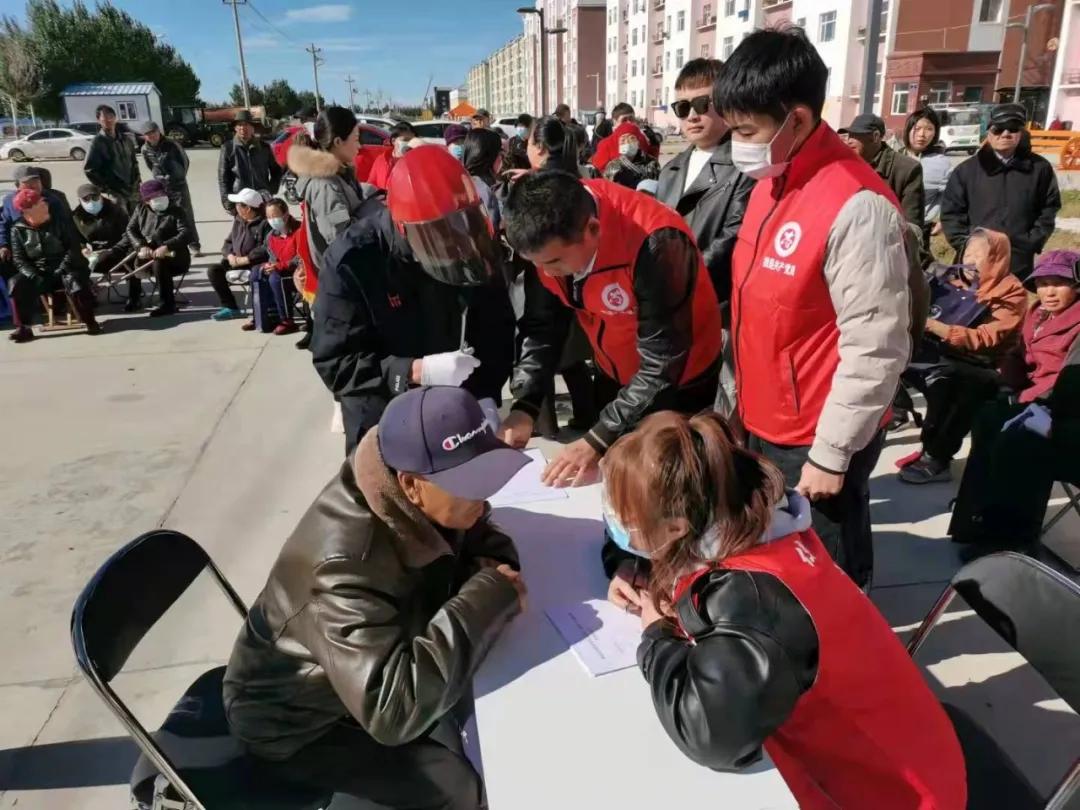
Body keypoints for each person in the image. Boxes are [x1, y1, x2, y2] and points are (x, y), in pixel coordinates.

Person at [601, 410, 966, 810]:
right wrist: (640, 569)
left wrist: (656, 636)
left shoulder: (754, 599)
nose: (617, 526)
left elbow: (712, 736)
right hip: (899, 758)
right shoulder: (757, 526)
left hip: (887, 795)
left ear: (676, 528)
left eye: (625, 520)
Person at [223, 385, 528, 808]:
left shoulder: (421, 492)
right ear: (411, 486)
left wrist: (485, 581)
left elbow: (486, 541)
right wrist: (486, 596)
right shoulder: (340, 567)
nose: (484, 498)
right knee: (458, 785)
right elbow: (393, 710)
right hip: (298, 724)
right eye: (470, 485)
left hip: (362, 668)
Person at [713, 28, 911, 588]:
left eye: (748, 131)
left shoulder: (856, 204)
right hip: (764, 416)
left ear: (797, 120)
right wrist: (736, 401)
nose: (738, 145)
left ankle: (855, 656)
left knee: (830, 564)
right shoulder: (771, 183)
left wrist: (832, 453)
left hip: (818, 429)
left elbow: (877, 346)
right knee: (786, 554)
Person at [500, 170, 723, 486]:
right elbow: (542, 325)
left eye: (553, 263)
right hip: (614, 372)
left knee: (667, 485)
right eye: (535, 263)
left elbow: (663, 363)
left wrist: (598, 437)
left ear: (592, 229)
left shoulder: (657, 242)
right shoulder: (549, 239)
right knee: (611, 481)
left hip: (680, 384)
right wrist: (526, 404)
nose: (544, 273)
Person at [312, 146, 516, 453]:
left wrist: (487, 394)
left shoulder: (469, 244)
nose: (450, 246)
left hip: (454, 411)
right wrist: (413, 371)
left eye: (455, 231)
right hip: (382, 416)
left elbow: (495, 326)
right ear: (404, 228)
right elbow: (336, 364)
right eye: (437, 236)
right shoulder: (352, 262)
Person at [950, 250, 1080, 554]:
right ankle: (974, 520)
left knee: (1018, 439)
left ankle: (1010, 541)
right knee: (987, 416)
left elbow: (1069, 383)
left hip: (1067, 413)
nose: (1048, 291)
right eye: (1043, 283)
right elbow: (1019, 357)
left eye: (1058, 283)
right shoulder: (1037, 315)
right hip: (1040, 402)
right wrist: (1009, 379)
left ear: (1076, 285)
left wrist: (1027, 403)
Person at [899, 229, 1027, 484]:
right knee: (890, 360)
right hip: (942, 352)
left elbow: (988, 338)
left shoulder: (1012, 291)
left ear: (997, 259)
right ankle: (898, 425)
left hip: (985, 364)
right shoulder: (951, 279)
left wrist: (936, 327)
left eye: (980, 255)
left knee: (954, 383)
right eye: (968, 252)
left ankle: (937, 456)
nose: (970, 260)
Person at [658, 58, 754, 308]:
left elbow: (732, 237)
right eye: (682, 107)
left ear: (725, 103)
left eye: (702, 105)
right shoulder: (670, 169)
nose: (692, 116)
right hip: (671, 300)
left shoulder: (745, 166)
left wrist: (684, 282)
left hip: (716, 304)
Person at [941, 102, 1061, 281]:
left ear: (1021, 133)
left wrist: (1031, 241)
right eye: (999, 129)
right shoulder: (967, 170)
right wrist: (967, 245)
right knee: (972, 307)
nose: (1005, 134)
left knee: (1010, 307)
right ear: (988, 132)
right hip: (974, 262)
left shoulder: (1039, 169)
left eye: (1013, 128)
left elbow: (1049, 208)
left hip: (1018, 260)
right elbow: (952, 213)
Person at [7, 188, 101, 342]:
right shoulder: (17, 229)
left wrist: (60, 270)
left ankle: (90, 321)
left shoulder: (61, 221)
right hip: (39, 272)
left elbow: (73, 250)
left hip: (67, 268)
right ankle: (24, 328)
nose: (44, 203)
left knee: (76, 282)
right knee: (15, 283)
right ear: (27, 211)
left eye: (42, 200)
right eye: (38, 203)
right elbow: (19, 259)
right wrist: (33, 274)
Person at [288, 106, 370, 274]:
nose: (359, 145)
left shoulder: (340, 173)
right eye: (355, 139)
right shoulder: (325, 185)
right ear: (338, 142)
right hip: (343, 274)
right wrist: (375, 218)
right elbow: (342, 238)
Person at [839, 113, 924, 231]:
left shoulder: (907, 169)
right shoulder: (847, 167)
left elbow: (912, 226)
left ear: (875, 136)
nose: (849, 141)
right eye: (849, 135)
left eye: (856, 135)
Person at [126, 179, 192, 318]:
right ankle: (134, 298)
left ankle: (167, 303)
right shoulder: (140, 209)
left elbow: (185, 233)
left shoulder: (177, 211)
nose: (161, 200)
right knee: (129, 255)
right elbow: (131, 229)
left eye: (163, 196)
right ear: (147, 201)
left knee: (159, 262)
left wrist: (167, 246)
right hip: (147, 253)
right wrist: (140, 246)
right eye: (156, 198)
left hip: (175, 257)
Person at [71, 182, 140, 310]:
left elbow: (128, 235)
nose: (91, 201)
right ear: (79, 200)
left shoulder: (116, 211)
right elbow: (73, 238)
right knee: (73, 263)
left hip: (116, 251)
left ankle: (135, 297)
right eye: (86, 199)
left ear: (101, 197)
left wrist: (111, 251)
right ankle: (86, 297)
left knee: (132, 257)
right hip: (92, 255)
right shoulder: (75, 216)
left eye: (95, 197)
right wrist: (83, 249)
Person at [207, 188, 271, 321]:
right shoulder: (239, 220)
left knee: (257, 273)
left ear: (247, 208)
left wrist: (246, 259)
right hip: (236, 261)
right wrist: (230, 256)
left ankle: (260, 309)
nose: (235, 207)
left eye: (238, 205)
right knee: (214, 270)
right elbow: (228, 242)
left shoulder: (265, 223)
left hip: (256, 263)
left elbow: (266, 247)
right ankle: (230, 307)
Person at [241, 197, 302, 335]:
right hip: (279, 269)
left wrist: (280, 266)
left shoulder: (299, 230)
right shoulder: (271, 235)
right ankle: (260, 316)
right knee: (256, 272)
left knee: (275, 278)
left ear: (285, 215)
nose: (272, 220)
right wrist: (269, 265)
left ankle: (287, 320)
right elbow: (272, 256)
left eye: (275, 216)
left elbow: (301, 257)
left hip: (296, 272)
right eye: (268, 217)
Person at [141, 121, 201, 256]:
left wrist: (177, 178)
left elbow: (185, 162)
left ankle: (194, 245)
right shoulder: (145, 149)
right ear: (144, 137)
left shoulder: (172, 144)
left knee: (185, 216)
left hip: (178, 186)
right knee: (166, 217)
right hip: (161, 189)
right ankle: (171, 245)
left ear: (158, 131)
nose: (152, 136)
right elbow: (150, 165)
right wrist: (160, 179)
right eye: (148, 134)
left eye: (153, 132)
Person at [1, 166, 73, 276]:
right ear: (18, 186)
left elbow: (66, 228)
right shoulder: (9, 201)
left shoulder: (54, 200)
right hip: (20, 249)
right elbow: (3, 224)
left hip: (49, 249)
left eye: (36, 181)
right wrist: (3, 245)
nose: (33, 185)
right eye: (28, 183)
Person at [900, 107, 953, 242]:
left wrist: (942, 220)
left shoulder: (942, 164)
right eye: (917, 128)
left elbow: (952, 197)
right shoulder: (895, 156)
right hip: (892, 225)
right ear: (908, 129)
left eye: (929, 129)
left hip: (921, 229)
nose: (922, 135)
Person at [218, 110, 282, 215]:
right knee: (244, 230)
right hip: (241, 202)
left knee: (264, 229)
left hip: (262, 200)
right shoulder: (228, 148)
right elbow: (223, 178)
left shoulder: (264, 147)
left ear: (253, 128)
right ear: (235, 128)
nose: (243, 128)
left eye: (246, 124)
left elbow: (276, 170)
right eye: (240, 125)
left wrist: (270, 190)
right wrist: (228, 204)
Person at [84, 104, 141, 216]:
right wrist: (107, 189)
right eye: (104, 117)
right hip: (116, 193)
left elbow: (134, 163)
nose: (108, 120)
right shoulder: (97, 142)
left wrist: (138, 183)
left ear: (115, 118)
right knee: (121, 223)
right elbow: (90, 170)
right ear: (98, 120)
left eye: (111, 116)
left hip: (133, 190)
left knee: (139, 221)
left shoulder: (126, 140)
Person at [462, 128, 504, 230]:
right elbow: (493, 227)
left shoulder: (463, 177)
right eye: (499, 153)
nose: (502, 158)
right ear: (489, 157)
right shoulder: (484, 187)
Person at [367, 122, 418, 190]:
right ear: (394, 141)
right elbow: (370, 185)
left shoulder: (417, 163)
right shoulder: (382, 160)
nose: (410, 143)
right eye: (405, 140)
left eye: (412, 140)